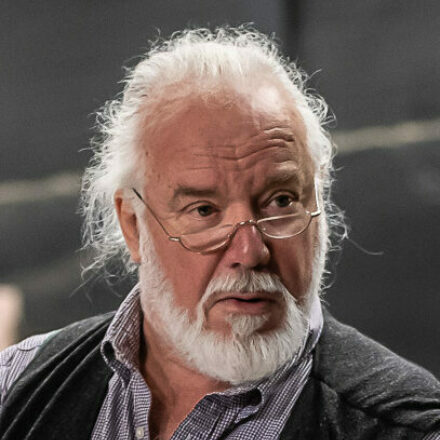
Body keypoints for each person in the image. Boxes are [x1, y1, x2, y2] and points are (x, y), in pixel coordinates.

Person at [0, 26, 439, 440]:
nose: (250, 251)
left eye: (281, 201)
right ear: (133, 226)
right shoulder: (16, 384)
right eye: (204, 210)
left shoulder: (409, 428)